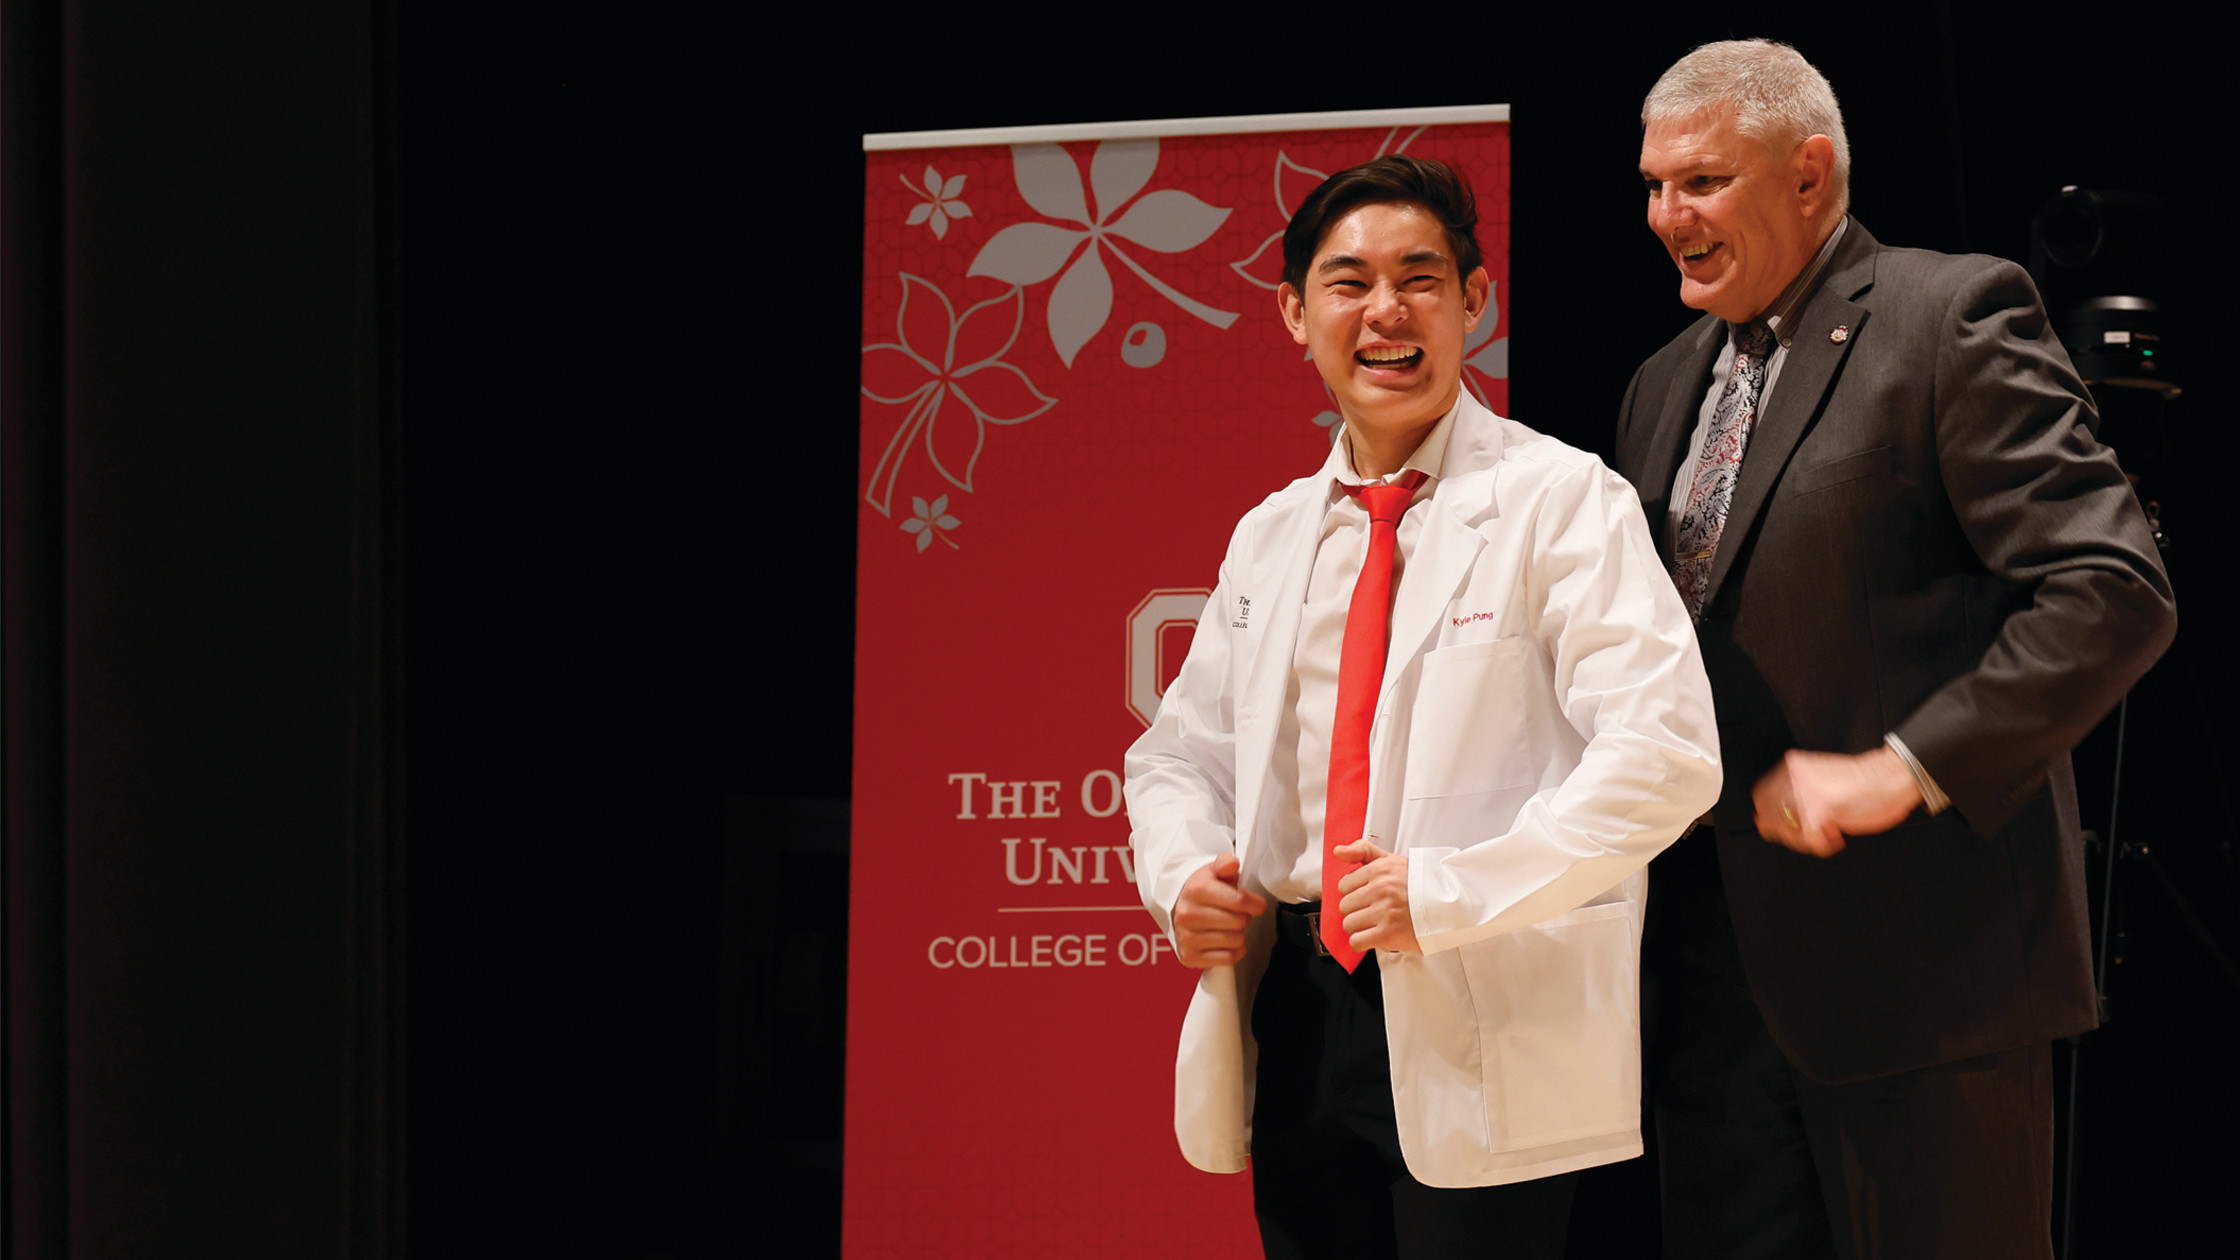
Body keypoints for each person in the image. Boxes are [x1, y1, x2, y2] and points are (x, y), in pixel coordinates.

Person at [1616, 39, 2177, 1260]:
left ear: (1807, 175)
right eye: (1654, 185)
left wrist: (1907, 764)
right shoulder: (1661, 383)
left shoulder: (1946, 315)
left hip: (1927, 979)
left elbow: (2110, 588)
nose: (1668, 215)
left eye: (1701, 181)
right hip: (1711, 990)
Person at [1124, 155, 1720, 1260]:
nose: (1385, 311)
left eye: (1420, 277)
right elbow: (1176, 757)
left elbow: (1666, 754)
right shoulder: (1268, 534)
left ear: (1473, 300)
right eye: (1348, 283)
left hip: (1485, 991)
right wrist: (1181, 874)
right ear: (1294, 315)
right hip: (1296, 1011)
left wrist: (1448, 892)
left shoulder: (1560, 500)